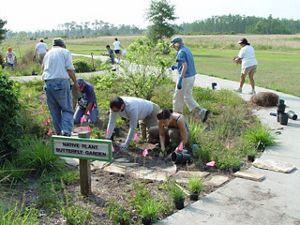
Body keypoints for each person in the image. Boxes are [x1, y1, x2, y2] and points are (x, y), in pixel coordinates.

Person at [42, 38, 78, 136]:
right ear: (63, 45)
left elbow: (43, 68)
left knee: (55, 111)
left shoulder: (47, 54)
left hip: (48, 83)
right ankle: (66, 133)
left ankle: (59, 134)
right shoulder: (65, 52)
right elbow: (70, 70)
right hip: (61, 82)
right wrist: (75, 82)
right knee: (67, 109)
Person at [170, 36, 209, 122]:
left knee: (177, 97)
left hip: (185, 77)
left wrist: (180, 79)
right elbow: (185, 63)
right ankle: (201, 111)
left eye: (173, 45)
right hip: (191, 76)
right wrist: (176, 66)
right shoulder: (186, 49)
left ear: (177, 44)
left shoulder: (181, 52)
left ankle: (176, 116)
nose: (173, 47)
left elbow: (185, 66)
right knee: (187, 96)